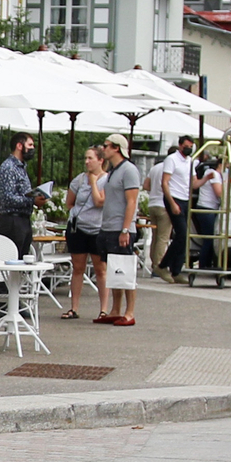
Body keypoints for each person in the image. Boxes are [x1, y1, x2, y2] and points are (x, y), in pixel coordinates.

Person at [97, 134, 143, 325]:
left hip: (121, 227)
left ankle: (129, 311)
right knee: (114, 271)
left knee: (125, 271)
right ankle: (115, 309)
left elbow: (131, 201)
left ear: (116, 148)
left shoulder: (129, 170)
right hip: (108, 226)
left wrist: (125, 229)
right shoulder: (114, 171)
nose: (103, 149)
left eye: (106, 146)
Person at [62, 145, 105, 321]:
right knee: (78, 267)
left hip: (98, 229)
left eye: (90, 158)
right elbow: (69, 202)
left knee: (100, 269)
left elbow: (98, 202)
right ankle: (74, 307)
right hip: (78, 228)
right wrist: (77, 214)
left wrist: (94, 182)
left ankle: (103, 309)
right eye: (85, 158)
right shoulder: (79, 180)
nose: (87, 162)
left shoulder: (106, 181)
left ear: (100, 160)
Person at [157, 137, 197, 283]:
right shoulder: (172, 159)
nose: (188, 149)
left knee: (183, 236)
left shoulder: (190, 161)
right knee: (182, 233)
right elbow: (165, 182)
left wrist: (208, 178)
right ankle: (163, 264)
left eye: (190, 146)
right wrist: (172, 203)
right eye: (186, 146)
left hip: (186, 198)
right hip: (174, 197)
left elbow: (194, 182)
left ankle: (176, 270)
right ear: (180, 146)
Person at [0, 132, 36, 257]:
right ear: (19, 145)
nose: (32, 148)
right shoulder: (9, 168)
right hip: (12, 221)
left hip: (23, 220)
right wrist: (32, 200)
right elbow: (7, 198)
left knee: (22, 260)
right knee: (11, 259)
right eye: (30, 145)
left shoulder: (21, 168)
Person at [190, 157, 222, 273]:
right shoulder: (212, 173)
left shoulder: (218, 175)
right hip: (206, 208)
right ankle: (204, 265)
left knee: (210, 238)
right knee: (209, 238)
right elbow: (219, 192)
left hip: (211, 209)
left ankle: (207, 263)